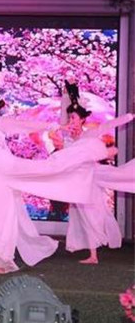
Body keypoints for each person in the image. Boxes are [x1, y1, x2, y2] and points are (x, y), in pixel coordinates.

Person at [0, 55, 115, 274]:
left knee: (3, 212)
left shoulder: (1, 123)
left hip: (4, 173)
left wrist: (58, 127)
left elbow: (29, 125)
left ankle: (1, 261)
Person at [55, 80, 134, 264]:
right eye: (70, 118)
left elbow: (110, 124)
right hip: (77, 180)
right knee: (82, 214)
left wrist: (130, 116)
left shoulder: (89, 134)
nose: (71, 121)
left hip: (91, 178)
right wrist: (67, 94)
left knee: (90, 213)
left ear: (82, 119)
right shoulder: (67, 135)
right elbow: (63, 116)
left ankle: (93, 255)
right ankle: (92, 253)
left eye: (75, 118)